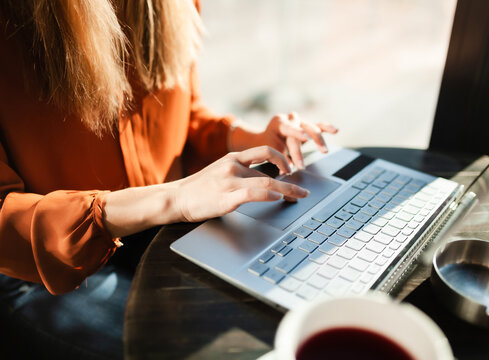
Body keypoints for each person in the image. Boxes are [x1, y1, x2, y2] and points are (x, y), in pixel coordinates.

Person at [0, 1, 337, 359]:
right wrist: (171, 199)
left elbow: (181, 119)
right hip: (40, 274)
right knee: (220, 350)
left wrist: (250, 140)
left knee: (288, 310)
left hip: (158, 231)